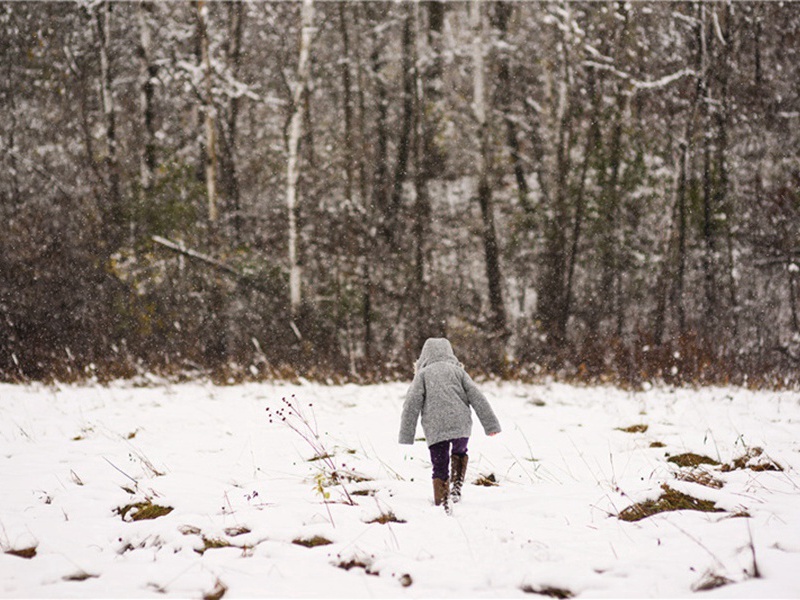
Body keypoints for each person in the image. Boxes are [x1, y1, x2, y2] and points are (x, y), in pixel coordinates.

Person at [398, 337, 501, 513]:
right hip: (460, 423)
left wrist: (406, 434)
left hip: (435, 426)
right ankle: (456, 487)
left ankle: (442, 498)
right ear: (450, 353)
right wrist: (490, 425)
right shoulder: (459, 372)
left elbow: (411, 403)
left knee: (440, 462)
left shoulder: (422, 375)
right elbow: (478, 398)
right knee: (460, 452)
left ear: (424, 356)